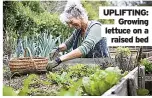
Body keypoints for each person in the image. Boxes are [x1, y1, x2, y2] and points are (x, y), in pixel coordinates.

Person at [46, 1, 109, 71]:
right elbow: (67, 44)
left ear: (79, 16)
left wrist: (59, 60)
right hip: (88, 66)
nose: (70, 26)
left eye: (71, 22)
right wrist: (57, 49)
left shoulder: (97, 27)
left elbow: (83, 49)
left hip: (102, 67)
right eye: (68, 23)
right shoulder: (78, 31)